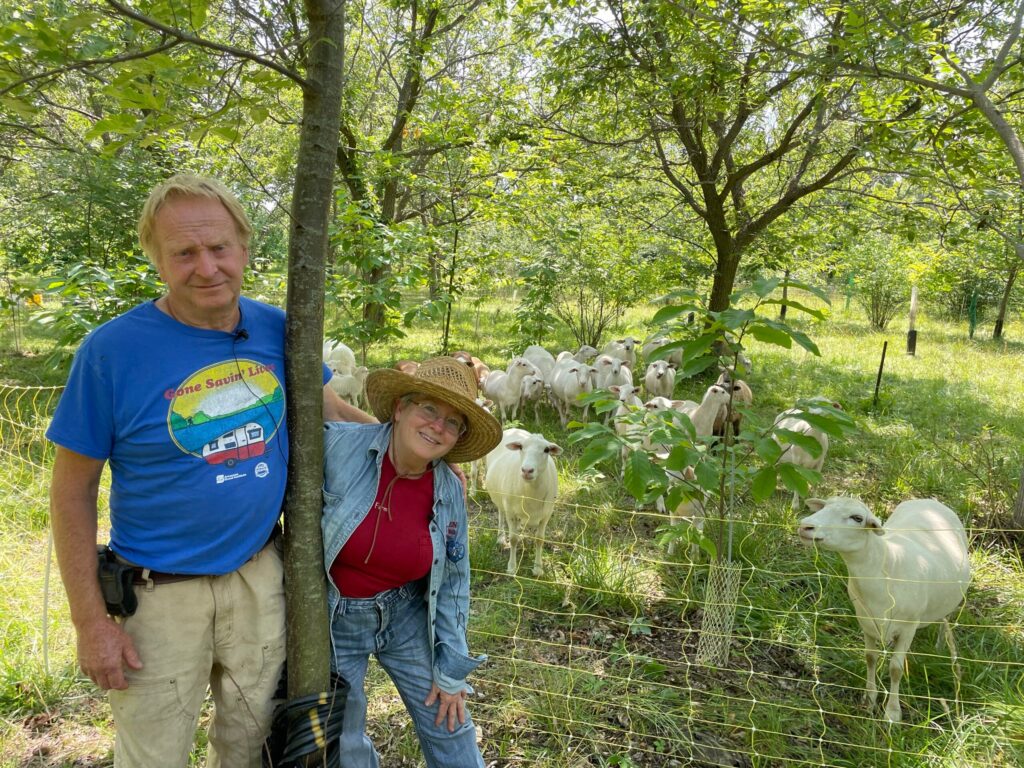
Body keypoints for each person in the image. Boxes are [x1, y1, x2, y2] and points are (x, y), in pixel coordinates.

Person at [46, 173, 373, 768]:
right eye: (184, 252)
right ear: (157, 260)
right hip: (157, 596)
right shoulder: (112, 352)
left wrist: (418, 449)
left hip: (261, 581)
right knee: (154, 758)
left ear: (245, 248)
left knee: (250, 751)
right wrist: (90, 620)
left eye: (219, 247)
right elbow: (72, 491)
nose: (207, 267)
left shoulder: (278, 329)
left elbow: (335, 415)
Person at [322, 356, 502, 767]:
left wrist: (452, 668)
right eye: (429, 410)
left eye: (453, 423)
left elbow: (455, 581)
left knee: (450, 720)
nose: (438, 427)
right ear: (401, 408)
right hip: (335, 619)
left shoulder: (447, 489)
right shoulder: (336, 449)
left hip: (404, 614)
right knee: (343, 742)